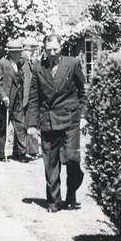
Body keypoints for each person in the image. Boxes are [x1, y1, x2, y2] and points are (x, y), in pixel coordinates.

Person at [26, 34, 86, 212]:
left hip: (70, 119)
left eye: (55, 49)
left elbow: (83, 91)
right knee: (51, 163)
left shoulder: (72, 63)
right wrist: (31, 124)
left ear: (61, 48)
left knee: (72, 158)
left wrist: (84, 117)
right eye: (48, 49)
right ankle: (54, 201)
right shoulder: (38, 68)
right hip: (48, 120)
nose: (52, 53)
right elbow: (34, 98)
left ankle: (71, 192)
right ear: (44, 49)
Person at [0, 38, 27, 162]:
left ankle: (20, 153)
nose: (19, 54)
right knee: (3, 127)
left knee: (20, 126)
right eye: (16, 52)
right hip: (3, 101)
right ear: (10, 53)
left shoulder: (19, 64)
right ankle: (0, 154)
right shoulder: (2, 63)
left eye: (20, 51)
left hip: (16, 100)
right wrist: (3, 96)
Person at [20, 37, 41, 159]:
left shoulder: (35, 61)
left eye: (33, 48)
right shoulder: (23, 60)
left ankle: (33, 150)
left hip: (34, 97)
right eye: (30, 48)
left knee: (33, 123)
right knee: (26, 124)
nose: (32, 50)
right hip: (24, 98)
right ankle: (26, 150)